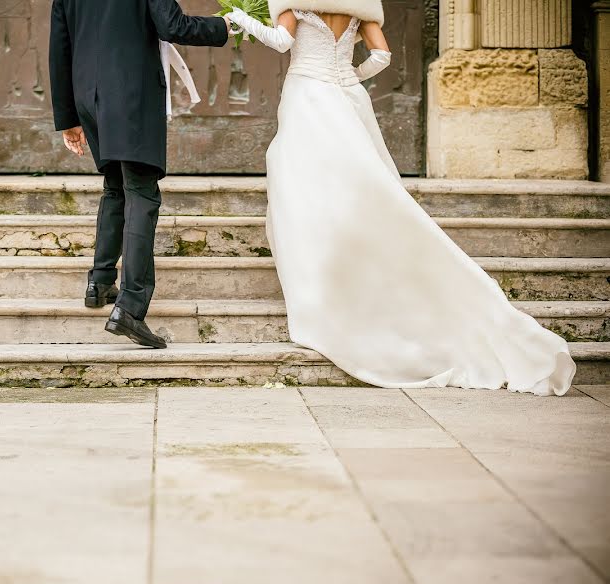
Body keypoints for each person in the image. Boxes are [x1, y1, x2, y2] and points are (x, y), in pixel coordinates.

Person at [225, 0, 576, 395]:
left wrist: (240, 20)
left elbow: (279, 42)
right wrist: (347, 75)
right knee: (357, 182)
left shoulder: (298, 3)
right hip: (346, 96)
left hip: (307, 92)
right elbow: (382, 57)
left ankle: (321, 282)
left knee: (302, 183)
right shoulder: (359, 9)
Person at [49, 0, 230, 349]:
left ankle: (100, 282)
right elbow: (174, 26)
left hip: (90, 95)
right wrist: (227, 27)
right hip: (130, 95)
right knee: (142, 193)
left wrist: (67, 117)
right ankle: (130, 307)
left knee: (115, 186)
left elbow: (60, 47)